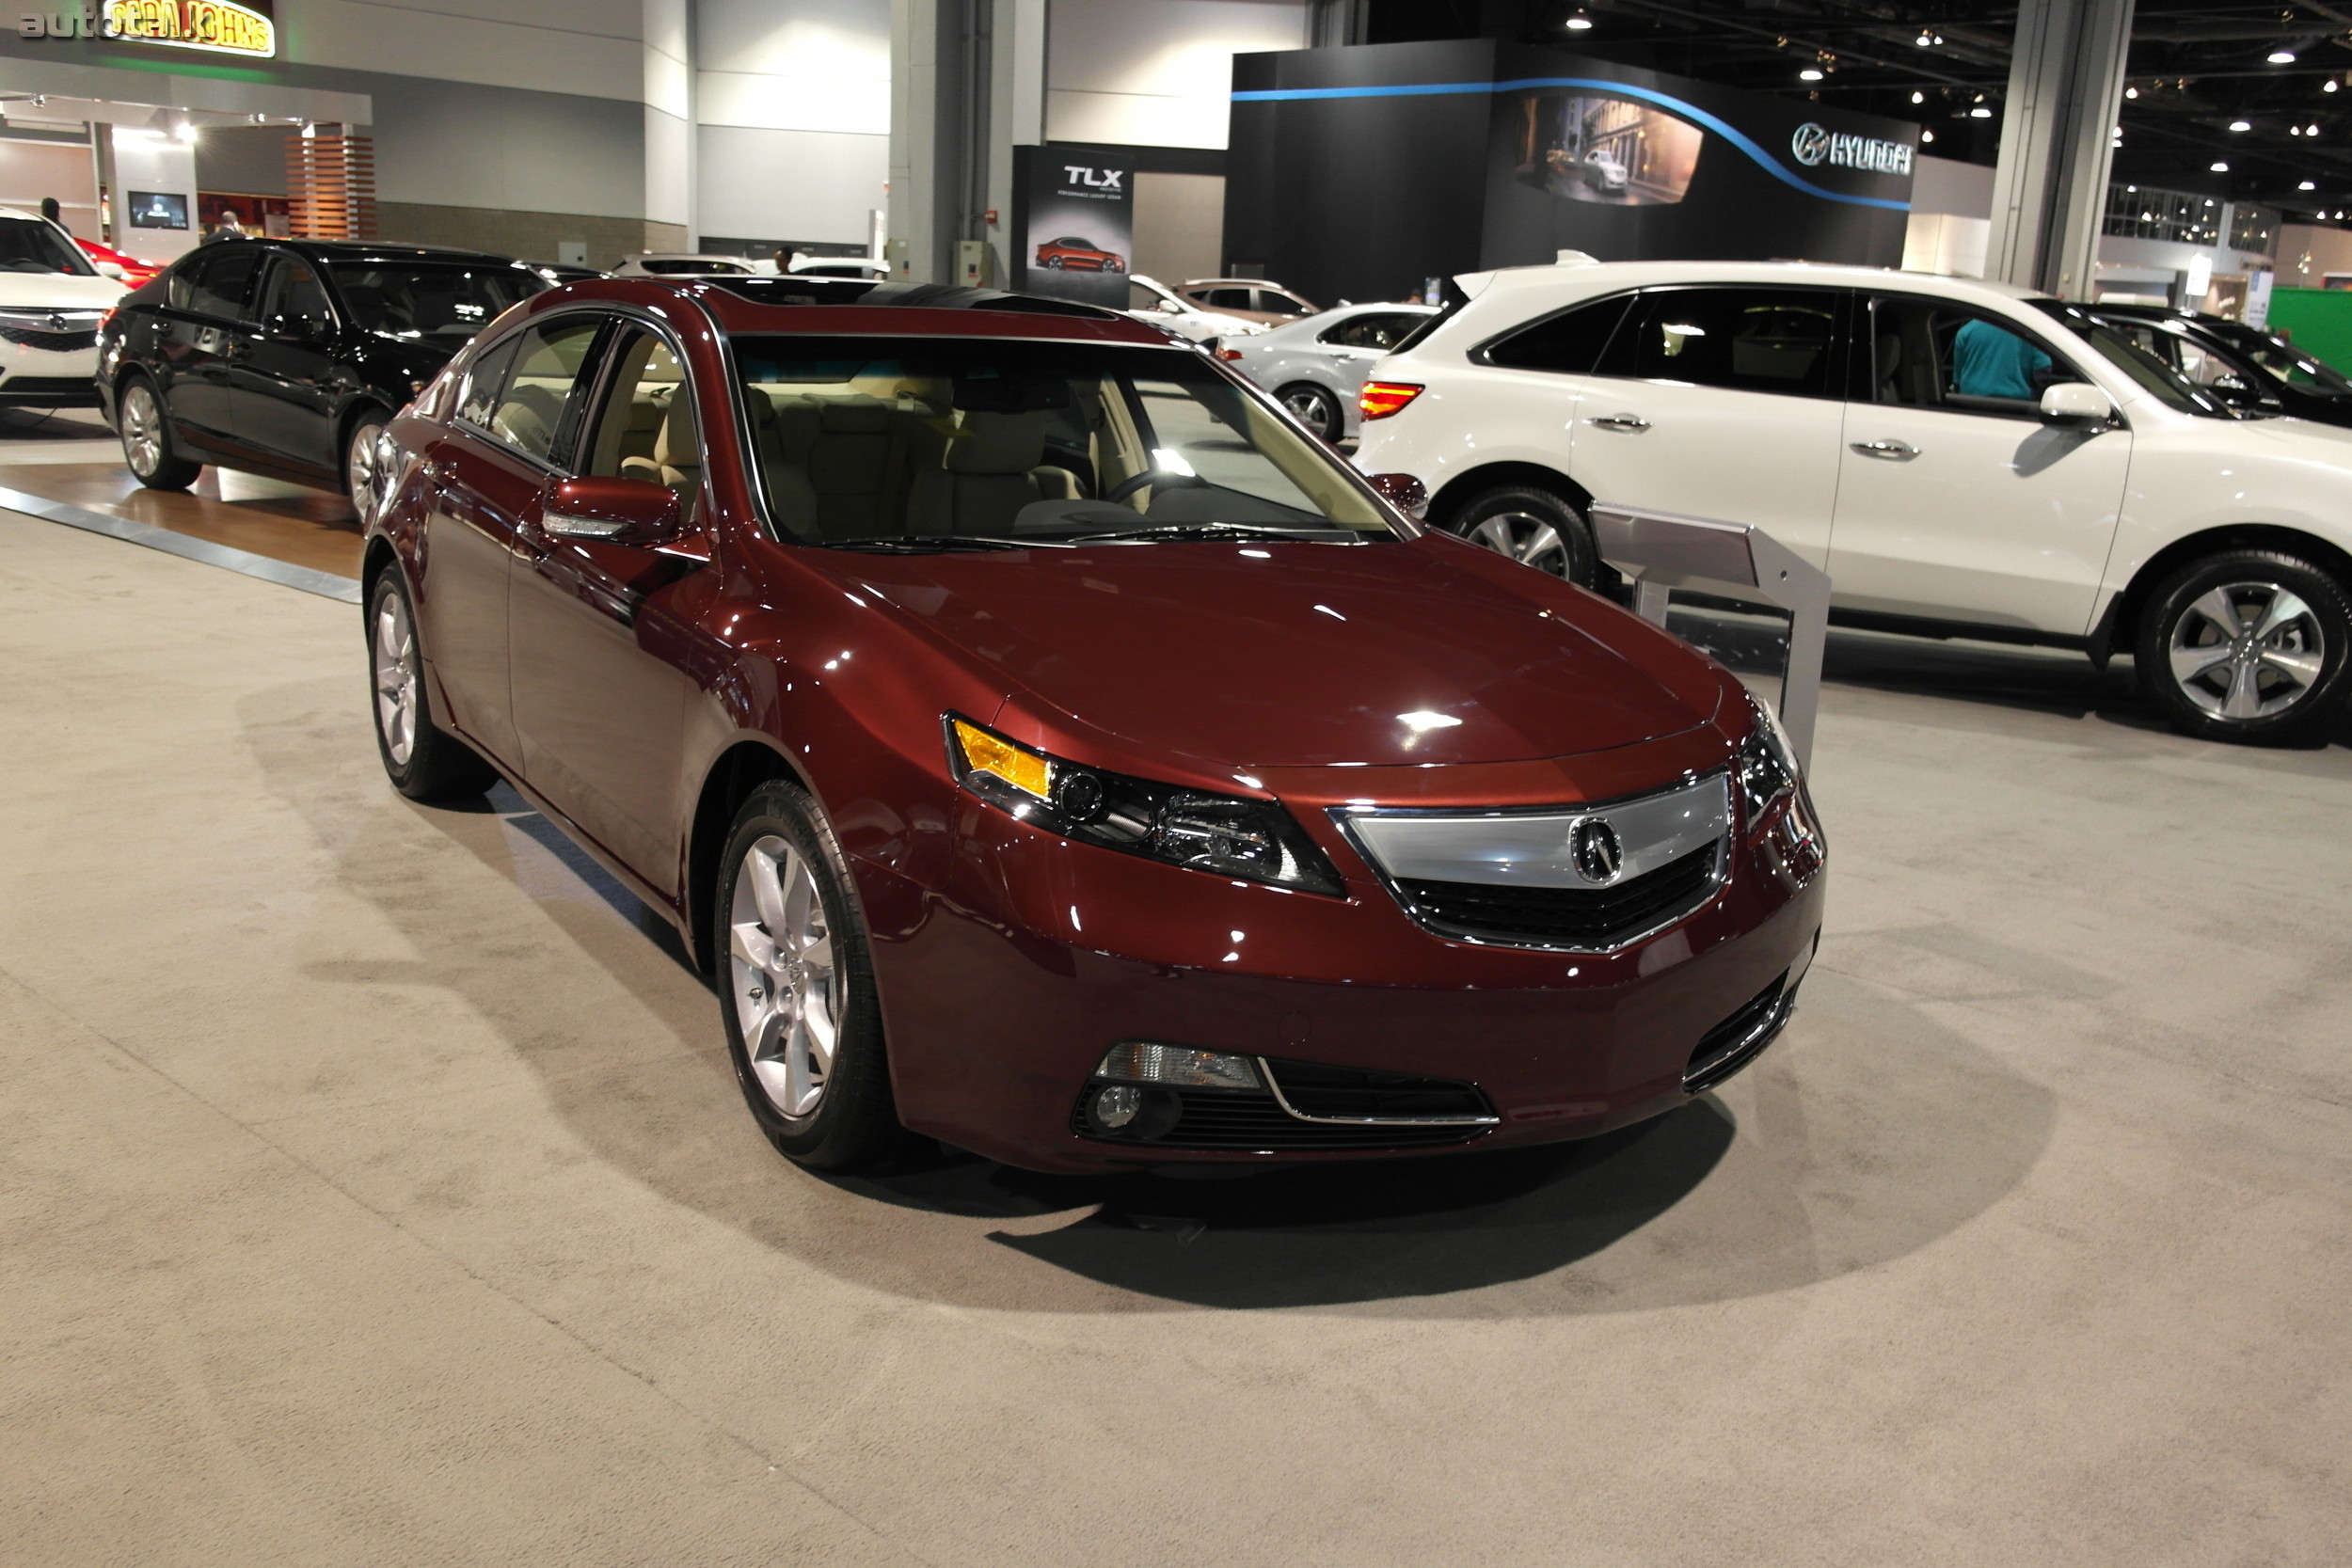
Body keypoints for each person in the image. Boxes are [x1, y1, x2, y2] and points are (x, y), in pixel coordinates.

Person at [1950, 316, 2052, 401]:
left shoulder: (1965, 332)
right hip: (2015, 405)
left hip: (1970, 403)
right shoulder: (2026, 332)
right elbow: (2042, 369)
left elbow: (1957, 379)